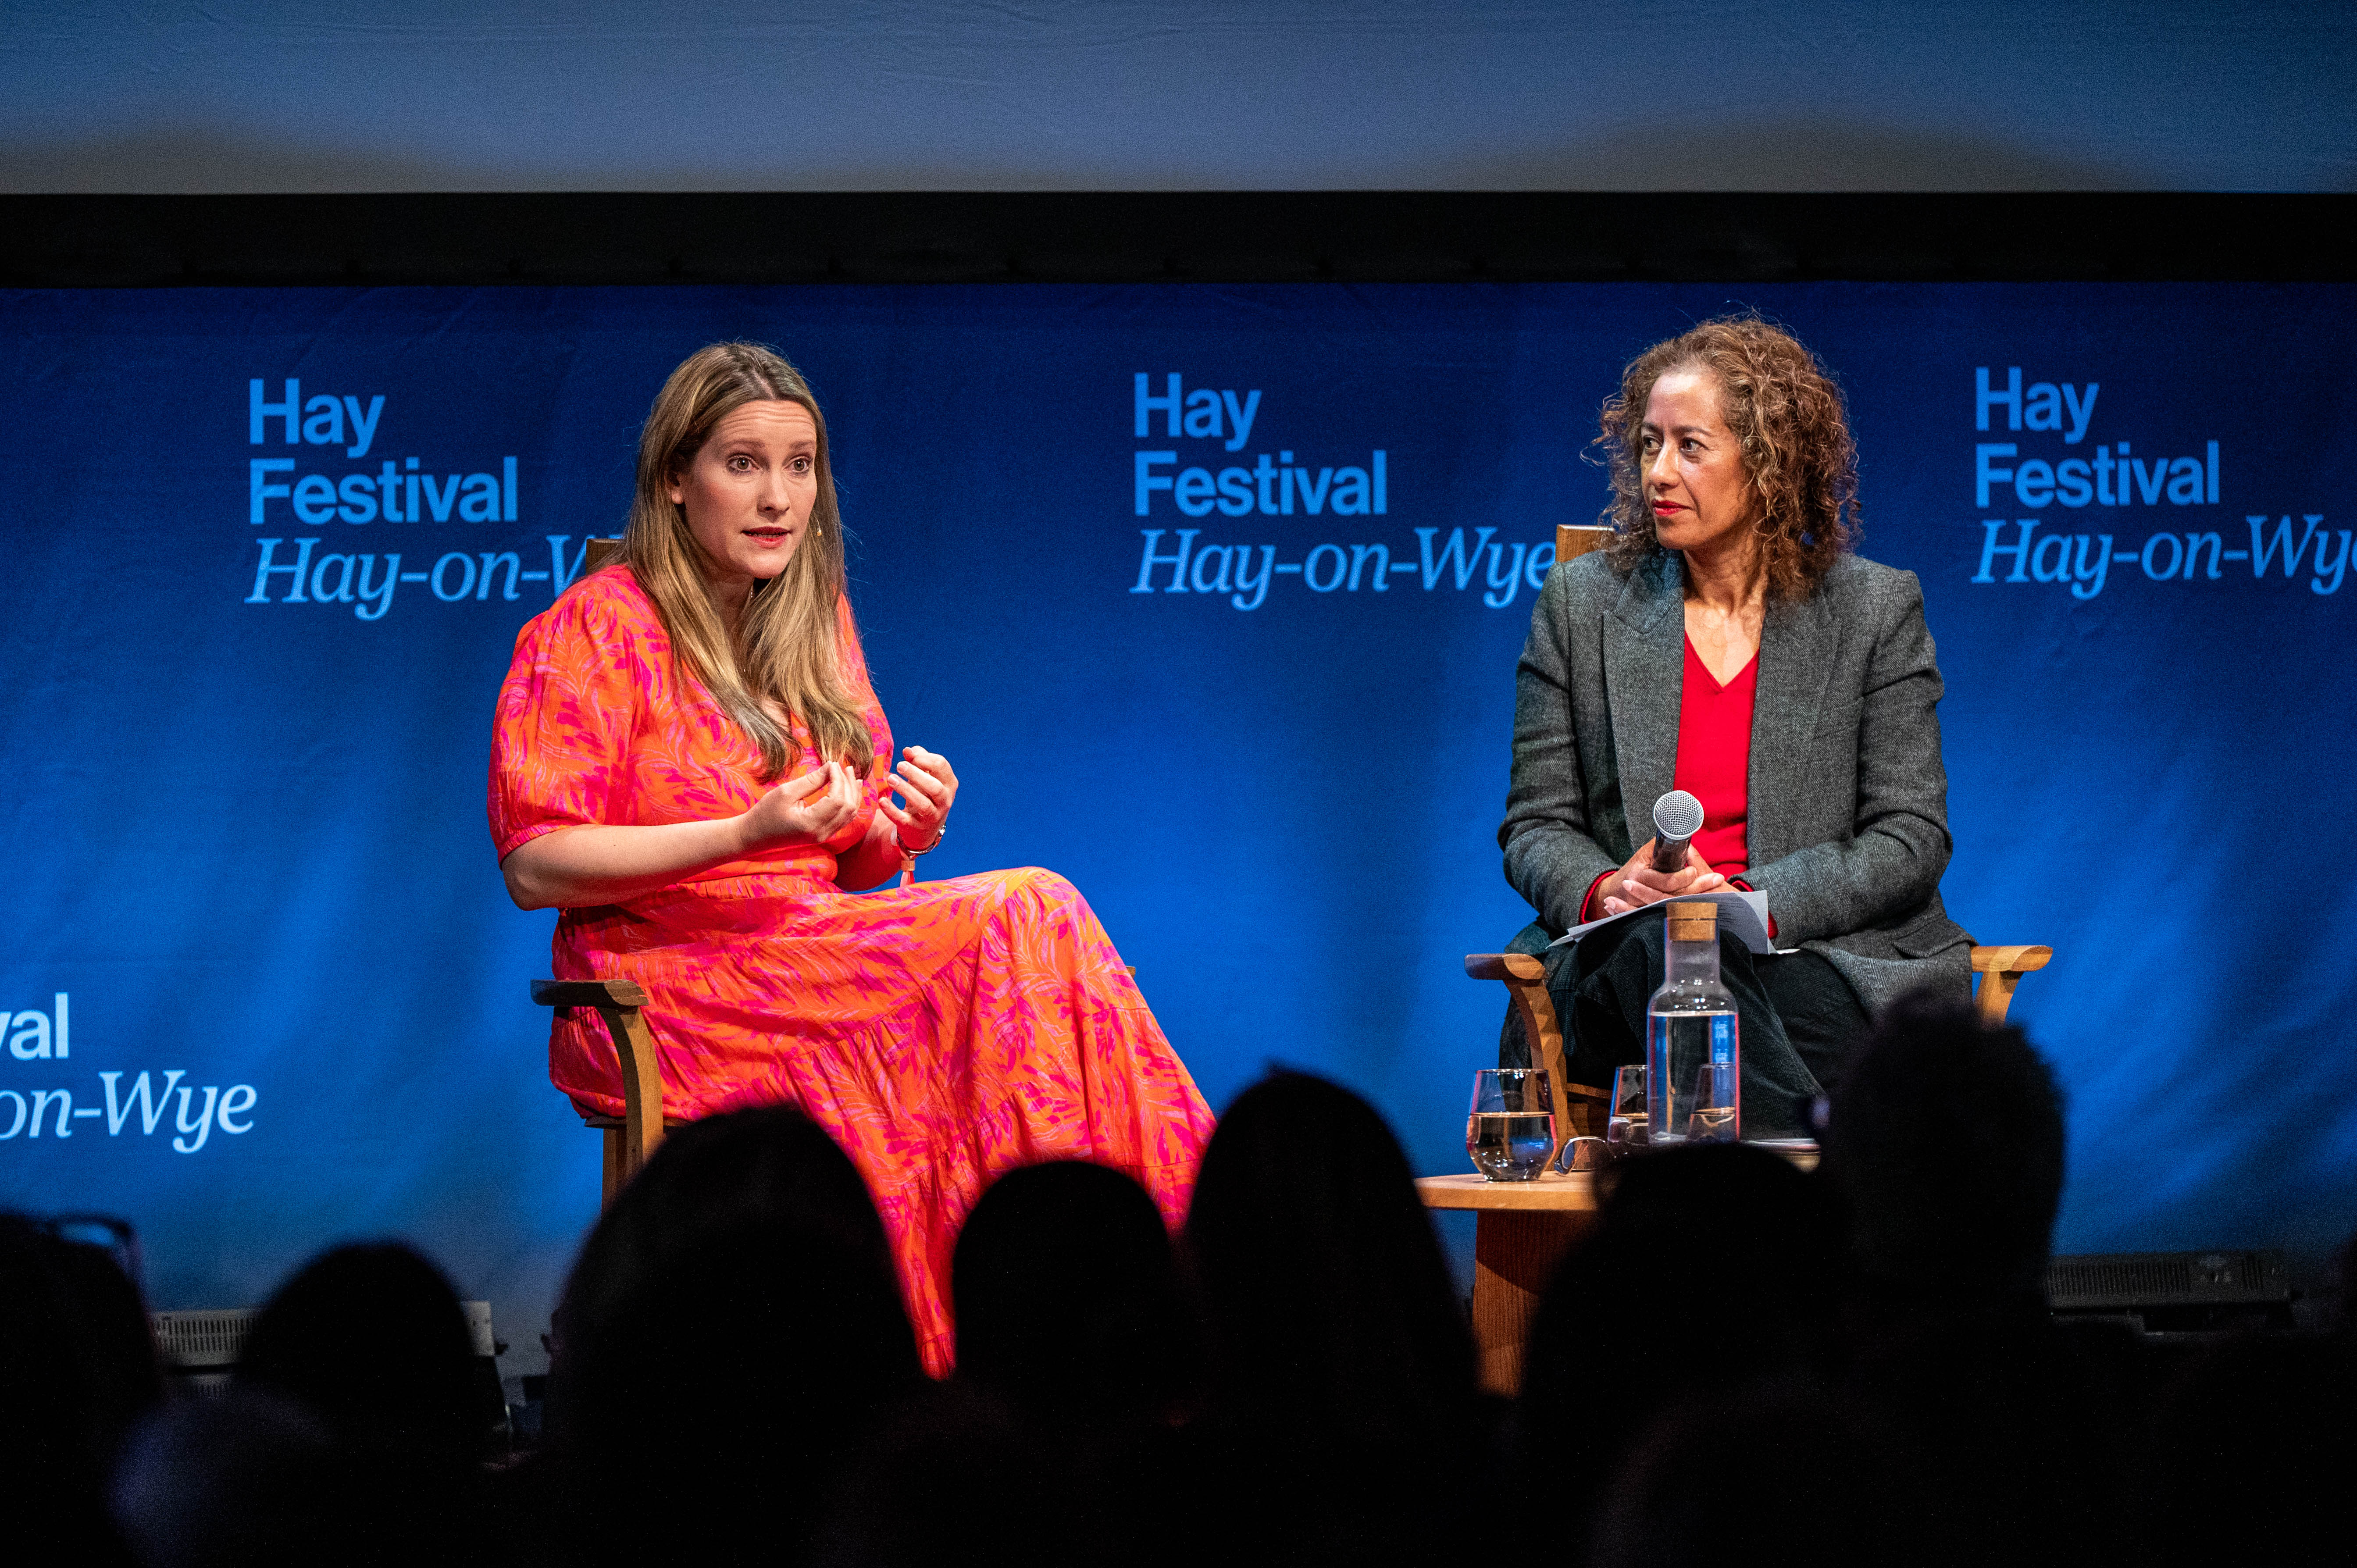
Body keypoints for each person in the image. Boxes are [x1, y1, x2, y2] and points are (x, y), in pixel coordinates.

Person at [490, 342, 1215, 1371]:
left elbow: (854, 861)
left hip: (809, 951)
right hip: (665, 986)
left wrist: (901, 831)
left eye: (801, 465)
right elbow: (538, 863)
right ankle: (1134, 1302)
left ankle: (1083, 1321)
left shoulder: (811, 622)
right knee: (1027, 910)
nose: (778, 497)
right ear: (673, 482)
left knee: (1031, 923)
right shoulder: (597, 626)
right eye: (743, 464)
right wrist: (745, 836)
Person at [1497, 315, 1970, 1132]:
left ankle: (1748, 1191)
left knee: (1727, 980)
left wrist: (1754, 901)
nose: (1658, 473)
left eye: (1691, 446)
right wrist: (1611, 889)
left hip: (1803, 952)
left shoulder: (1873, 610)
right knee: (1668, 949)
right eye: (1649, 444)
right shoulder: (1581, 607)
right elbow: (1536, 826)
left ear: (1768, 462)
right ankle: (1833, 1179)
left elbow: (1910, 834)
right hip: (1622, 957)